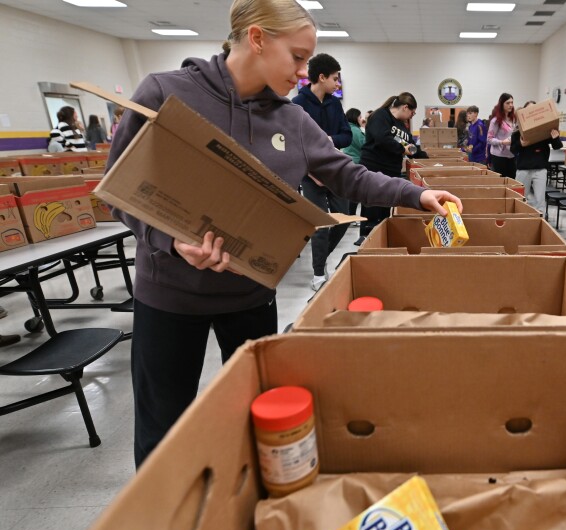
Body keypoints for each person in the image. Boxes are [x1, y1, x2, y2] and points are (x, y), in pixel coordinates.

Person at [105, 0, 462, 468]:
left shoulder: (292, 120)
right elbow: (118, 191)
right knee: (163, 433)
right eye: (296, 57)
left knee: (261, 425)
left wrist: (417, 195)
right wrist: (169, 241)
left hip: (249, 294)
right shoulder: (164, 94)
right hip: (171, 295)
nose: (302, 72)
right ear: (256, 39)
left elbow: (347, 175)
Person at [291, 52, 352, 290]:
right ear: (322, 77)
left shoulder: (335, 104)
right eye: (335, 78)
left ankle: (321, 258)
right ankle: (318, 274)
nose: (337, 83)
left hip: (333, 171)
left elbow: (346, 136)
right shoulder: (298, 105)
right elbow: (294, 144)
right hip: (309, 173)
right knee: (321, 224)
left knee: (344, 218)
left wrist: (330, 138)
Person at [356, 92, 422, 245]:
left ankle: (380, 243)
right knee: (372, 208)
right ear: (405, 107)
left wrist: (423, 154)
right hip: (374, 168)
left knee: (385, 209)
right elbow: (382, 138)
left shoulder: (402, 125)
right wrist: (402, 149)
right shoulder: (380, 116)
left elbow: (410, 145)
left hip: (391, 171)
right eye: (412, 112)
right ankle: (367, 242)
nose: (412, 116)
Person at [510, 100, 564, 214]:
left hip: (540, 169)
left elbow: (557, 146)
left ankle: (540, 225)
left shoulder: (545, 131)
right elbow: (513, 150)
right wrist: (520, 143)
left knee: (540, 201)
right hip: (523, 170)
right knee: (520, 198)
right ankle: (518, 222)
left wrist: (555, 137)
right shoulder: (517, 133)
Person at [487, 93, 516, 178]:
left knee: (512, 181)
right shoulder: (496, 121)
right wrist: (502, 142)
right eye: (507, 103)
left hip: (511, 154)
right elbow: (489, 139)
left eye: (512, 102)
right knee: (501, 181)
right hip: (499, 156)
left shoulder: (514, 119)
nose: (510, 105)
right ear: (501, 104)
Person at [342, 107, 365, 215]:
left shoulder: (346, 128)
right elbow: (364, 145)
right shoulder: (355, 130)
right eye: (360, 117)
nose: (361, 119)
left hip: (346, 162)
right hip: (355, 162)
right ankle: (350, 215)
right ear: (355, 117)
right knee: (355, 192)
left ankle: (349, 214)